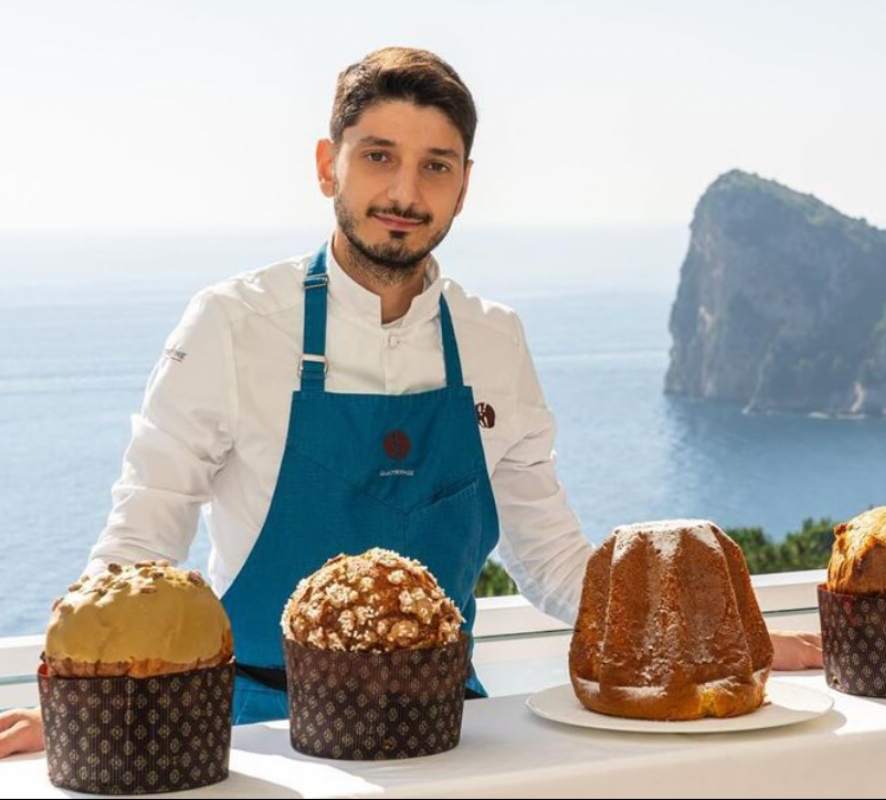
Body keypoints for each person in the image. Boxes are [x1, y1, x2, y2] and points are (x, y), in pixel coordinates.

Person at [0, 46, 821, 757]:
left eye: (437, 164)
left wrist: (716, 643)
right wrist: (75, 697)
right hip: (259, 733)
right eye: (378, 156)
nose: (405, 191)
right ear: (329, 165)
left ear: (465, 186)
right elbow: (144, 533)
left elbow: (551, 559)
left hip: (450, 732)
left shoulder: (493, 340)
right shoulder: (234, 324)